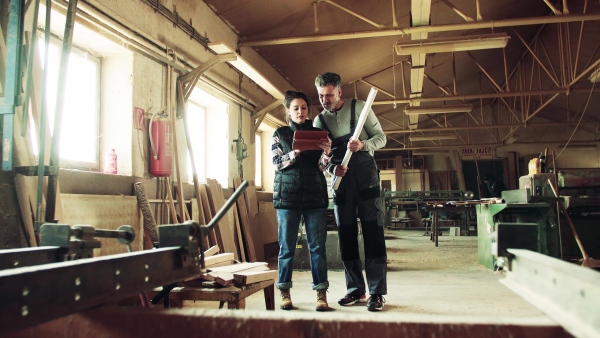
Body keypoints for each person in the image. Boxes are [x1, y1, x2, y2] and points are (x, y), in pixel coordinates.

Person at [313, 72, 388, 312]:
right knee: (346, 236)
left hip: (366, 178)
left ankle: (376, 293)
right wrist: (334, 167)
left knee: (373, 234)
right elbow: (321, 161)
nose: (325, 100)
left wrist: (363, 145)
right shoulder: (319, 122)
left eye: (329, 95)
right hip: (341, 182)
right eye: (321, 96)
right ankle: (356, 289)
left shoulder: (360, 108)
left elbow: (382, 138)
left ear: (339, 92)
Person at [272, 90, 332, 311]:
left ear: (309, 110)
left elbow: (322, 168)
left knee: (317, 248)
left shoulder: (318, 133)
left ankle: (321, 294)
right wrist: (295, 152)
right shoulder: (280, 133)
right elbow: (277, 163)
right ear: (288, 110)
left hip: (314, 197)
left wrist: (326, 153)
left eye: (304, 108)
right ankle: (284, 291)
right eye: (295, 108)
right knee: (286, 247)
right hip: (287, 198)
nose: (300, 111)